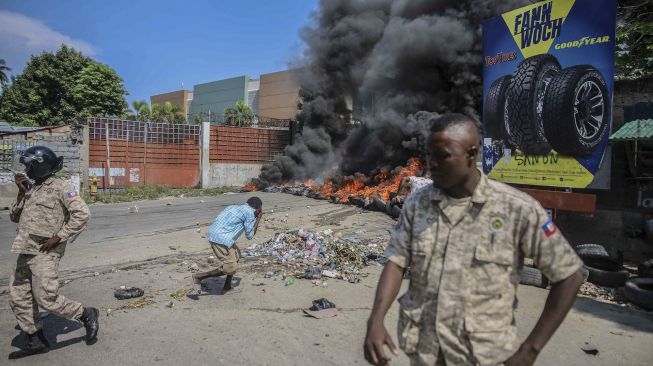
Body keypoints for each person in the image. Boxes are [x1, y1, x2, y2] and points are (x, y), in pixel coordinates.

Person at [364, 113, 583, 366]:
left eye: (443, 155)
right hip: (426, 353)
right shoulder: (417, 204)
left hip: (485, 357)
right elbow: (396, 261)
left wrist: (530, 350)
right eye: (429, 155)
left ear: (471, 154)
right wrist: (376, 319)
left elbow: (569, 275)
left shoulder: (516, 209)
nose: (431, 164)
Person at [8, 146, 99, 359]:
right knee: (19, 295)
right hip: (25, 248)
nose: (26, 169)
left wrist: (59, 237)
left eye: (29, 165)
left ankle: (84, 313)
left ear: (41, 166)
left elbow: (82, 214)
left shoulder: (61, 187)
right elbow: (14, 216)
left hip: (45, 252)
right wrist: (21, 192)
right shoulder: (31, 188)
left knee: (45, 298)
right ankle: (35, 339)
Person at [192, 197, 263, 293]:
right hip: (222, 239)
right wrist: (258, 218)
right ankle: (199, 276)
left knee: (236, 255)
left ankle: (227, 286)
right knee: (230, 267)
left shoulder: (233, 207)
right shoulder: (250, 213)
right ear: (258, 208)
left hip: (216, 234)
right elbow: (249, 236)